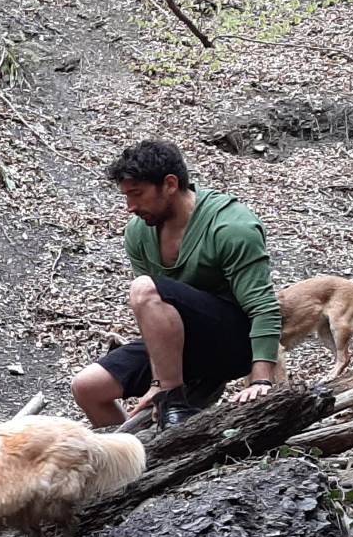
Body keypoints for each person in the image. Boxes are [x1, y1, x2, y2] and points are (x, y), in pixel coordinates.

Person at [70, 140, 282, 429]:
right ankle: (134, 459)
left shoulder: (232, 228)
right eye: (126, 196)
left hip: (235, 343)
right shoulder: (139, 232)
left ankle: (170, 394)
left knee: (144, 288)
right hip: (180, 344)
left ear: (170, 184)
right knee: (87, 387)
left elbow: (263, 308)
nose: (130, 207)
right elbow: (153, 311)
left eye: (137, 194)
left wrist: (260, 380)